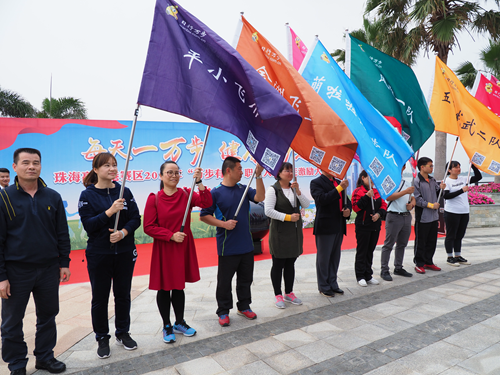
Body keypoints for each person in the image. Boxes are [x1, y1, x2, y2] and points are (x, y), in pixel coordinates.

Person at [0, 148, 71, 375]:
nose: (31, 166)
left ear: (41, 166)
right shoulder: (4, 198)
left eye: (36, 162)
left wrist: (65, 263)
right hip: (16, 271)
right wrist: (1, 277)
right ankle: (17, 365)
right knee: (11, 323)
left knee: (48, 316)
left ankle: (45, 358)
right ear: (15, 166)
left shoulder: (52, 196)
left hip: (49, 269)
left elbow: (62, 233)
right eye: (26, 162)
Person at [78, 152, 141, 359]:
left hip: (123, 252)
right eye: (107, 165)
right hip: (99, 254)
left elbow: (135, 219)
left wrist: (123, 233)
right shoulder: (87, 195)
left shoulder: (124, 191)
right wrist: (110, 211)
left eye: (114, 165)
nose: (112, 169)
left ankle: (122, 332)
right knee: (100, 297)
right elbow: (89, 225)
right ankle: (102, 337)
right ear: (96, 169)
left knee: (123, 295)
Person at [143, 162, 212, 343]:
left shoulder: (186, 195)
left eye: (176, 172)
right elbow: (148, 227)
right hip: (165, 247)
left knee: (179, 286)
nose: (173, 175)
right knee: (165, 287)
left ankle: (179, 322)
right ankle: (166, 325)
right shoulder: (154, 199)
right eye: (169, 172)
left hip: (182, 247)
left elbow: (206, 202)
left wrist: (199, 183)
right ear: (161, 176)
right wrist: (170, 235)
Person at [200, 156, 265, 327]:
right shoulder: (215, 193)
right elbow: (204, 215)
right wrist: (223, 224)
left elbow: (259, 196)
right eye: (239, 168)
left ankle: (244, 306)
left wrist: (258, 176)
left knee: (245, 279)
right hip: (227, 247)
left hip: (246, 244)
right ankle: (223, 311)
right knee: (224, 281)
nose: (242, 172)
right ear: (228, 170)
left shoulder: (244, 189)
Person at [264, 162, 310, 309]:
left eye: (291, 170)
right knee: (278, 264)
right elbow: (268, 211)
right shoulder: (273, 190)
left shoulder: (293, 188)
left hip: (294, 233)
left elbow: (306, 204)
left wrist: (298, 192)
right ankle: (277, 294)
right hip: (279, 233)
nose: (290, 173)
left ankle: (289, 292)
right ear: (279, 173)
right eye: (287, 170)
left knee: (290, 263)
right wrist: (288, 217)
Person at [310, 170, 351, 297]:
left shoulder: (339, 182)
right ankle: (323, 286)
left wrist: (348, 210)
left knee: (335, 257)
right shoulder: (316, 182)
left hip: (338, 225)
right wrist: (339, 188)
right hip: (325, 226)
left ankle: (333, 283)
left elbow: (347, 202)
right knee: (324, 258)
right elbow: (322, 199)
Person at [380, 165, 416, 281]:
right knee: (389, 244)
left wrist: (412, 204)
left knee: (402, 244)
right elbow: (389, 197)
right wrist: (405, 192)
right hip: (394, 216)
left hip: (406, 216)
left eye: (403, 165)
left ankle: (398, 267)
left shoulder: (406, 181)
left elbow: (413, 198)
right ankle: (384, 269)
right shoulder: (389, 181)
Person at [443, 161, 482, 266]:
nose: (458, 169)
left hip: (464, 211)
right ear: (449, 170)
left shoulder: (464, 178)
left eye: (459, 167)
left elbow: (478, 177)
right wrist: (461, 190)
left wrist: (473, 165)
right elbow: (446, 196)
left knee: (460, 235)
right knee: (451, 235)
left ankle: (458, 255)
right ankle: (450, 257)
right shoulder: (446, 181)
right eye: (456, 167)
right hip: (452, 212)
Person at [352, 170, 387, 287]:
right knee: (362, 251)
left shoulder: (378, 191)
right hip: (363, 226)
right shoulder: (358, 191)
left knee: (370, 251)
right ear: (363, 178)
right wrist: (366, 197)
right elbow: (356, 208)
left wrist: (378, 214)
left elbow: (383, 205)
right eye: (369, 177)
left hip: (375, 226)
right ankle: (360, 275)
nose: (372, 180)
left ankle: (368, 275)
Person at [413, 157, 446, 274]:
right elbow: (417, 199)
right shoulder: (416, 181)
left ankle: (429, 261)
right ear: (422, 167)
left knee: (432, 241)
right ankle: (419, 263)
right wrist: (431, 205)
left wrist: (442, 189)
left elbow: (439, 194)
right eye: (430, 166)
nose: (432, 168)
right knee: (421, 241)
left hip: (434, 217)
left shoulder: (432, 180)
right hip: (423, 217)